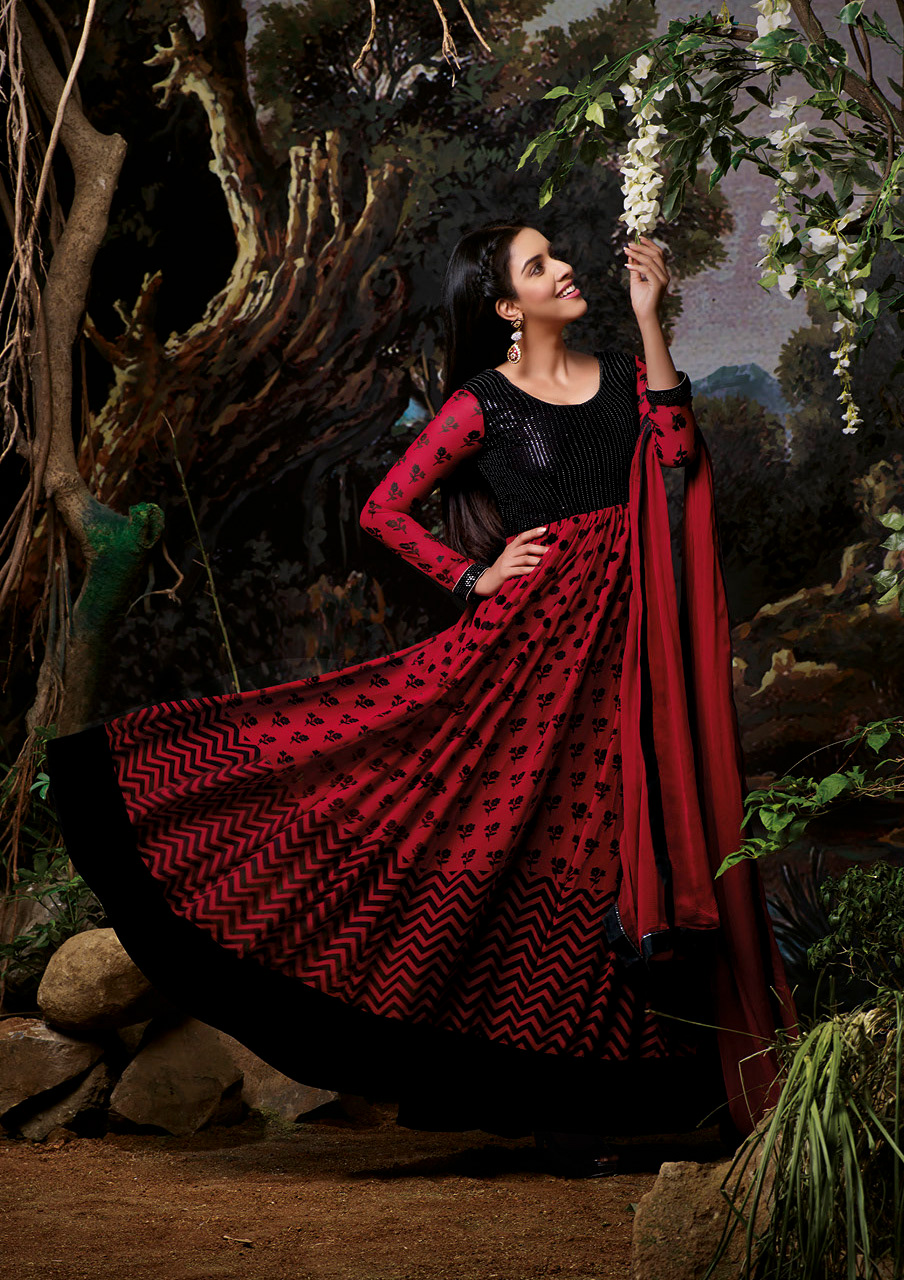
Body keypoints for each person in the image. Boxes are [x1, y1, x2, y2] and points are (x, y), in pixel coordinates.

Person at [45, 220, 795, 1178]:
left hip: (632, 647)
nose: (565, 269)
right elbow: (383, 510)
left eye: (557, 256)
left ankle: (620, 1086)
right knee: (515, 837)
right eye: (539, 266)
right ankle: (555, 1107)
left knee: (611, 851)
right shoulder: (484, 402)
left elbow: (678, 456)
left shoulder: (620, 374)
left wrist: (652, 322)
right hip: (533, 656)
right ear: (504, 305)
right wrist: (473, 577)